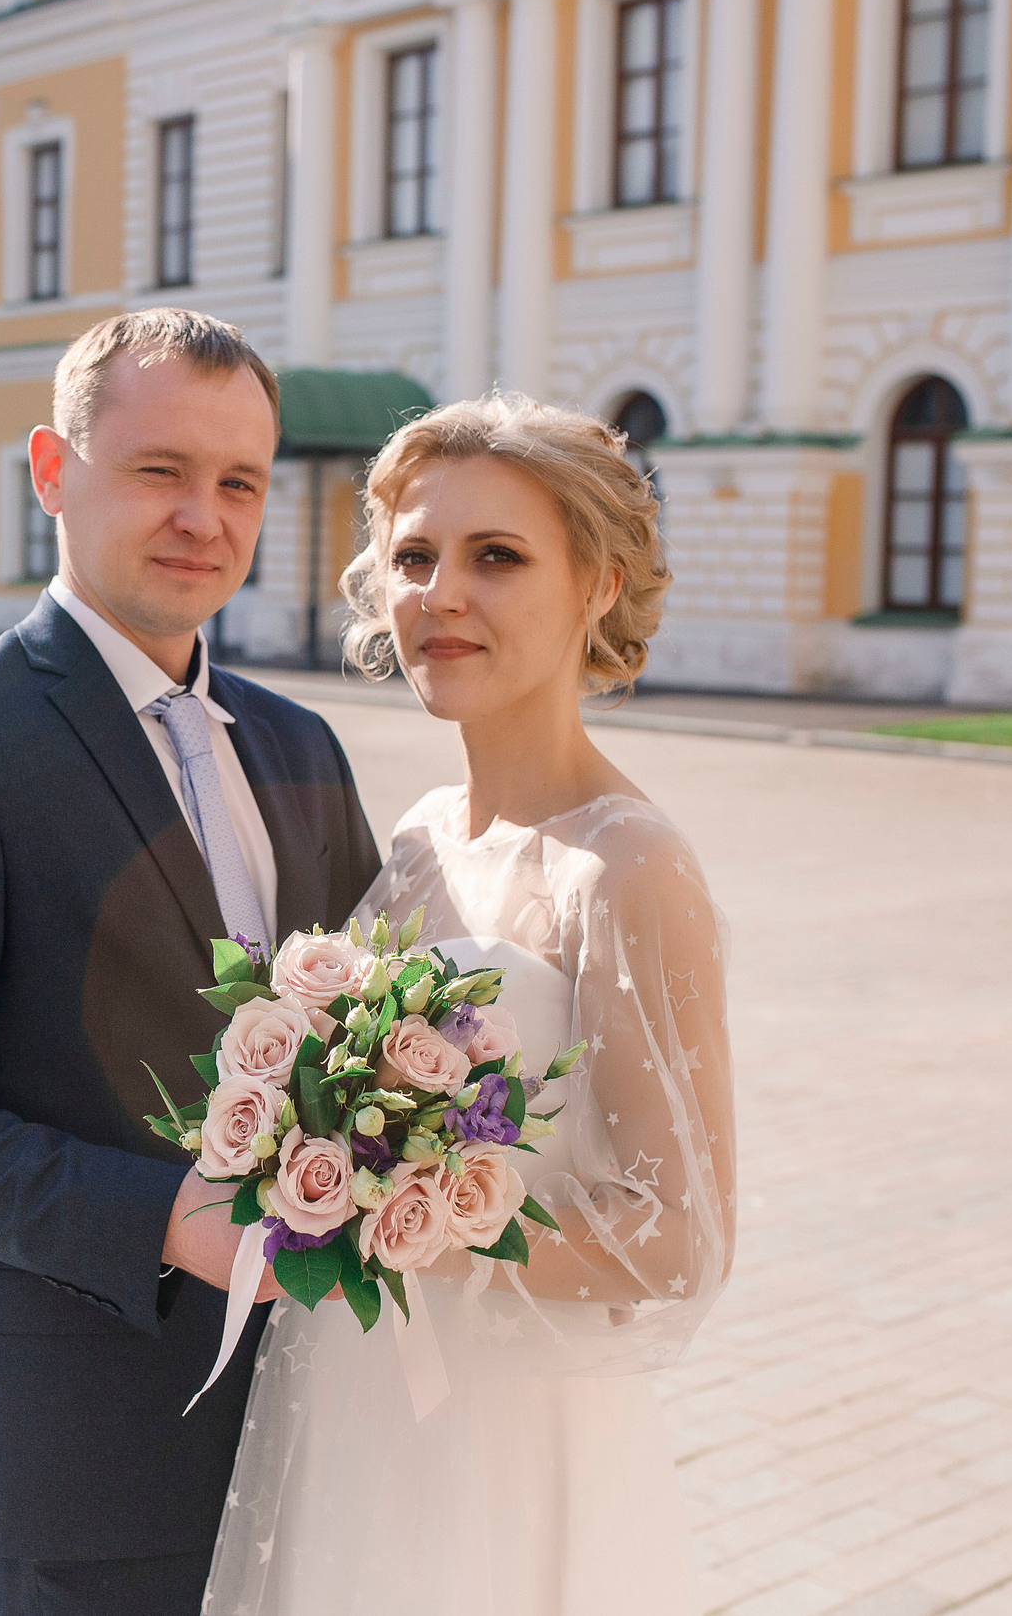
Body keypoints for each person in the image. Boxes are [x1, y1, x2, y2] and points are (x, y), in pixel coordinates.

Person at [0, 309, 386, 1616]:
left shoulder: (298, 745)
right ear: (53, 470)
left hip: (317, 1441)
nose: (205, 513)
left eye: (239, 480)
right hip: (82, 1469)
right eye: (160, 468)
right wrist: (169, 1219)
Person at [204, 393, 738, 1616]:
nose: (440, 595)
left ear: (598, 584)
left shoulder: (626, 868)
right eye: (413, 558)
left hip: (505, 1435)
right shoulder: (417, 839)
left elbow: (679, 1240)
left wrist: (412, 1222)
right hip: (349, 1397)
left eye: (496, 557)